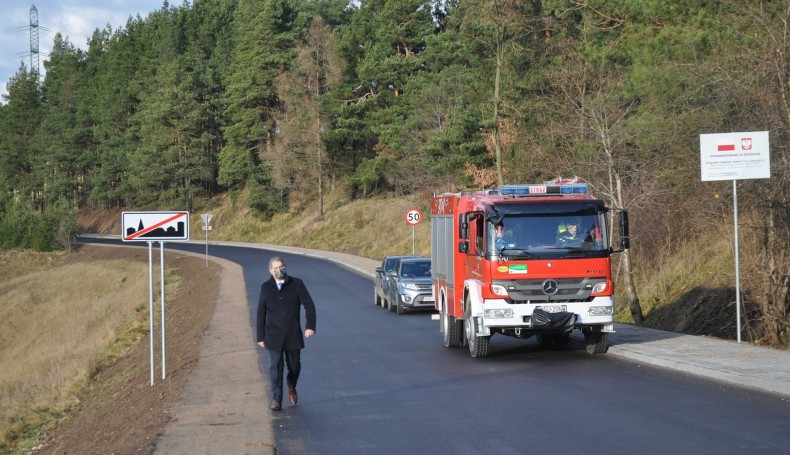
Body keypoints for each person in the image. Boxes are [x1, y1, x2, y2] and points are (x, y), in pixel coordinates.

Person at [256, 256, 316, 411]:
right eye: (275, 268)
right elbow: (261, 313)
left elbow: (309, 305)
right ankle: (276, 399)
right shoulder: (265, 287)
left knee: (294, 366)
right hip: (273, 335)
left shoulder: (297, 284)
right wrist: (260, 336)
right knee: (276, 367)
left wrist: (310, 326)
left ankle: (291, 385)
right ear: (270, 270)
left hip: (292, 334)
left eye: (281, 267)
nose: (279, 270)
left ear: (285, 267)